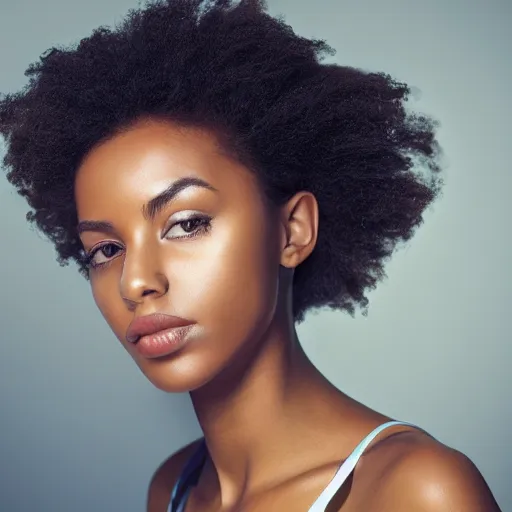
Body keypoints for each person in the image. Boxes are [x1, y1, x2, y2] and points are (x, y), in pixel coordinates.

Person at [0, 0, 501, 511]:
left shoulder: (415, 491)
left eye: (187, 223)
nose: (135, 281)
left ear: (291, 231)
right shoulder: (173, 490)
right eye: (106, 250)